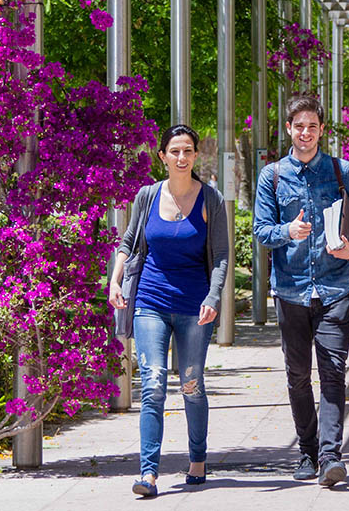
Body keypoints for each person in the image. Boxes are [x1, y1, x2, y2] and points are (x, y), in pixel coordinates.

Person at [253, 95, 349, 487]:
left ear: (322, 130)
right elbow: (260, 231)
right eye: (298, 126)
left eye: (312, 126)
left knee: (333, 372)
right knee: (296, 375)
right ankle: (307, 450)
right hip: (290, 292)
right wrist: (286, 231)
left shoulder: (342, 172)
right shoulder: (271, 176)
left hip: (335, 289)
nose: (305, 133)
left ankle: (330, 456)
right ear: (288, 129)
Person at [108, 124, 229, 498]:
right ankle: (149, 473)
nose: (181, 157)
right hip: (150, 302)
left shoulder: (211, 199)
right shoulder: (146, 196)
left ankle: (197, 459)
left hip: (195, 306)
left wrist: (213, 297)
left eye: (188, 151)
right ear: (162, 156)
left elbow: (222, 256)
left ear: (195, 155)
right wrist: (114, 280)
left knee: (191, 384)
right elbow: (128, 241)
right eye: (174, 151)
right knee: (154, 383)